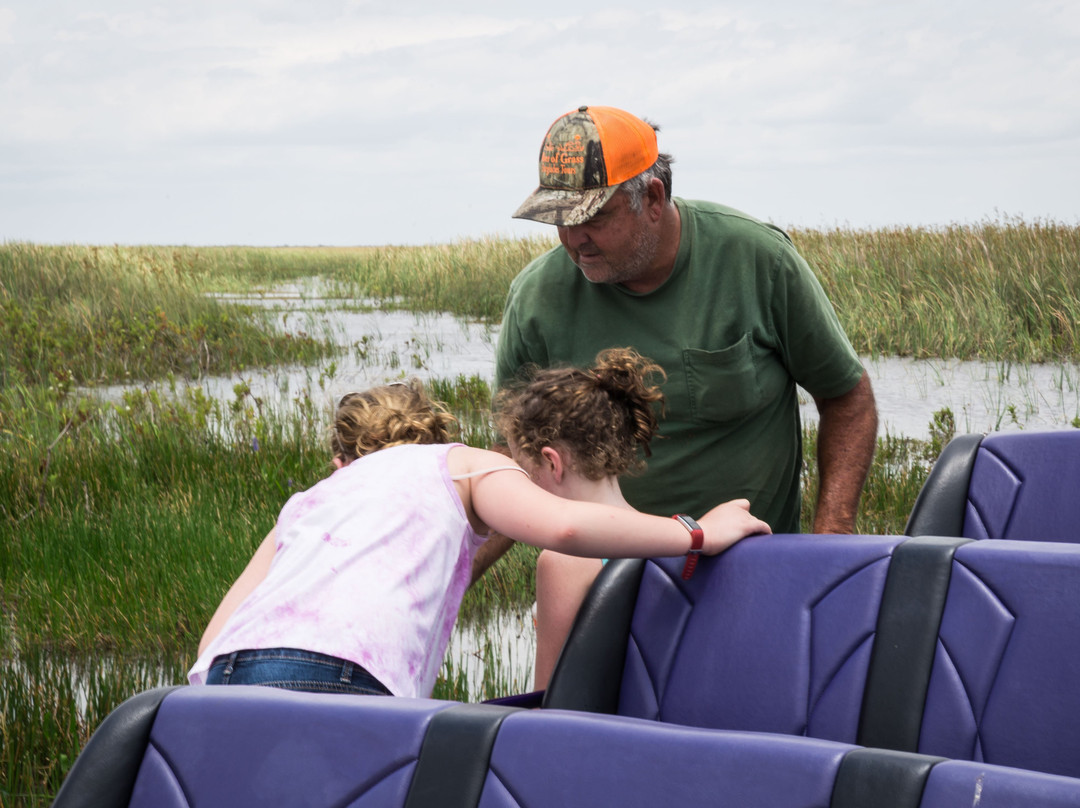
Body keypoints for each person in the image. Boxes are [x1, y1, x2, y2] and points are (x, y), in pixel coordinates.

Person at [188, 379, 769, 698]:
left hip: (224, 677)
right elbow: (565, 525)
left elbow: (215, 634)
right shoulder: (459, 462)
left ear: (344, 459)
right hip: (343, 675)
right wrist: (697, 531)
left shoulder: (311, 499)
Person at [495, 104, 878, 537]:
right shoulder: (535, 298)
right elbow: (511, 460)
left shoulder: (758, 260)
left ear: (653, 199)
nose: (574, 239)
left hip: (753, 555)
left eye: (594, 218)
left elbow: (846, 396)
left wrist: (830, 538)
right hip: (610, 563)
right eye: (560, 219)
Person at [493, 347, 669, 690]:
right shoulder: (664, 540)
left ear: (552, 462)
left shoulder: (565, 560)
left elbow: (552, 698)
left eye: (521, 470)